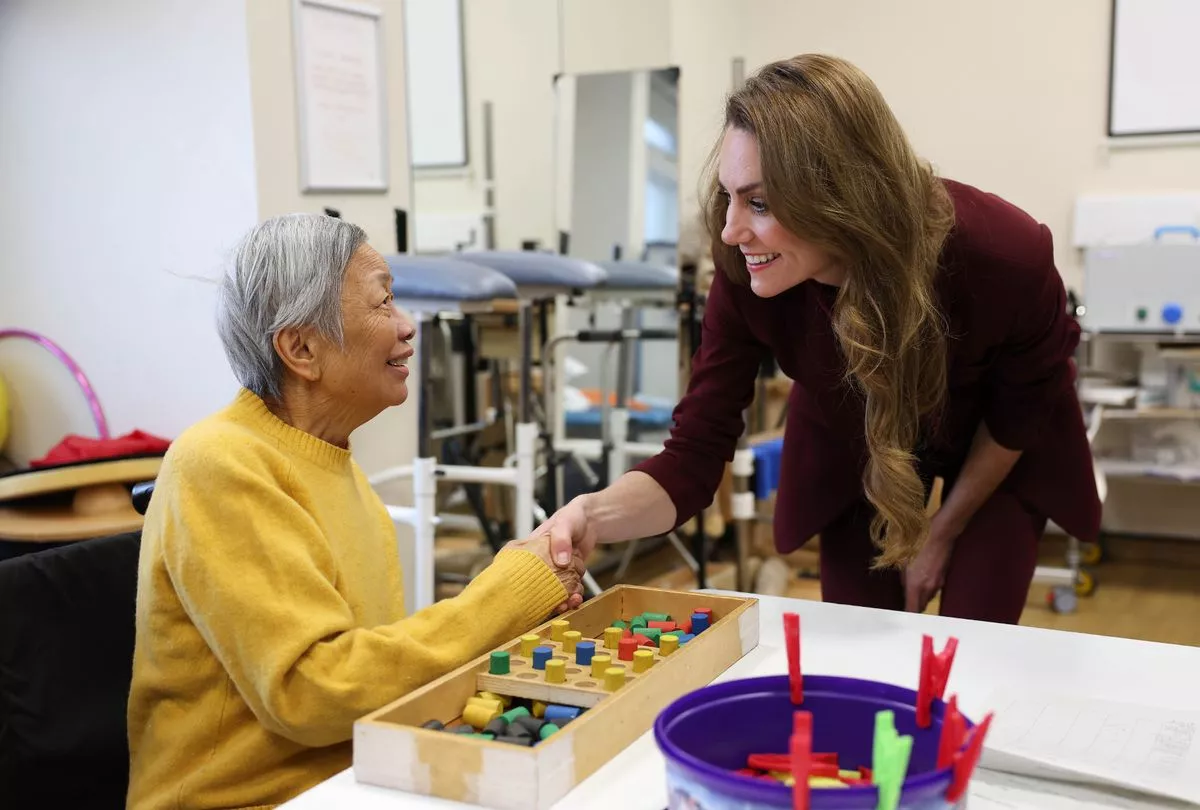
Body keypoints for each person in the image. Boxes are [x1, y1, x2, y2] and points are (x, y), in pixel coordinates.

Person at [541, 54, 1100, 624]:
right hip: (853, 444)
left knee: (975, 641)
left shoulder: (1002, 255)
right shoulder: (745, 270)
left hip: (993, 444)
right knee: (860, 641)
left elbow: (1017, 416)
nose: (733, 231)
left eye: (758, 202)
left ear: (841, 197)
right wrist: (590, 514)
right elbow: (694, 454)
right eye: (728, 196)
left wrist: (941, 534)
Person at [126, 214, 585, 810]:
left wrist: (522, 607)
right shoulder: (218, 462)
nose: (407, 326)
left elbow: (374, 668)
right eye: (383, 302)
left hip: (353, 780)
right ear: (300, 348)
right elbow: (316, 693)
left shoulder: (332, 463)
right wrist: (502, 598)